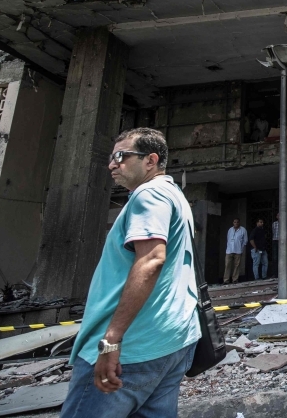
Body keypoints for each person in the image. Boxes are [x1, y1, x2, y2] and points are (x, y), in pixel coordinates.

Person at [61, 128, 200, 418]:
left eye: (121, 156)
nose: (112, 164)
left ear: (151, 160)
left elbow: (151, 261)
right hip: (171, 340)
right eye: (112, 158)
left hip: (134, 348)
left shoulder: (149, 195)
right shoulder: (174, 194)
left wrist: (112, 339)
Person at [224, 218, 247, 284]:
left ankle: (235, 279)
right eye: (235, 222)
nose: (236, 223)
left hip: (238, 250)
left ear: (239, 223)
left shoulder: (243, 230)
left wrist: (241, 248)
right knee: (227, 265)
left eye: (237, 222)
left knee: (237, 266)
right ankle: (226, 280)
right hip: (229, 250)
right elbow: (228, 239)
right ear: (233, 223)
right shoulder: (230, 230)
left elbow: (245, 241)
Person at [271, 212, 287, 277]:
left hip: (283, 242)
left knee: (284, 257)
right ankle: (275, 273)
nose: (280, 216)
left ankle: (285, 272)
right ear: (276, 216)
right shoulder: (274, 224)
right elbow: (273, 232)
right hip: (275, 241)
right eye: (278, 215)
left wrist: (284, 238)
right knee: (275, 257)